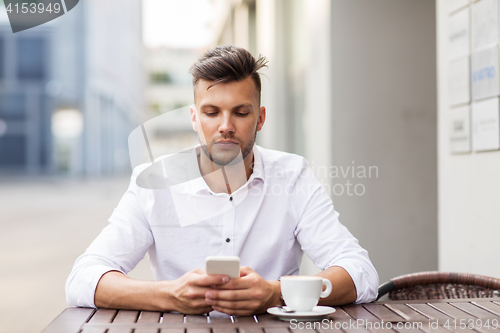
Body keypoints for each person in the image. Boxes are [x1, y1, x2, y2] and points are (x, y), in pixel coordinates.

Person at [66, 45, 379, 316]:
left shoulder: (293, 176)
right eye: (212, 112)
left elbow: (361, 273)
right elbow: (83, 279)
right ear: (193, 118)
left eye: (241, 112)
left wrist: (276, 293)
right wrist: (169, 295)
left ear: (260, 118)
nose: (225, 126)